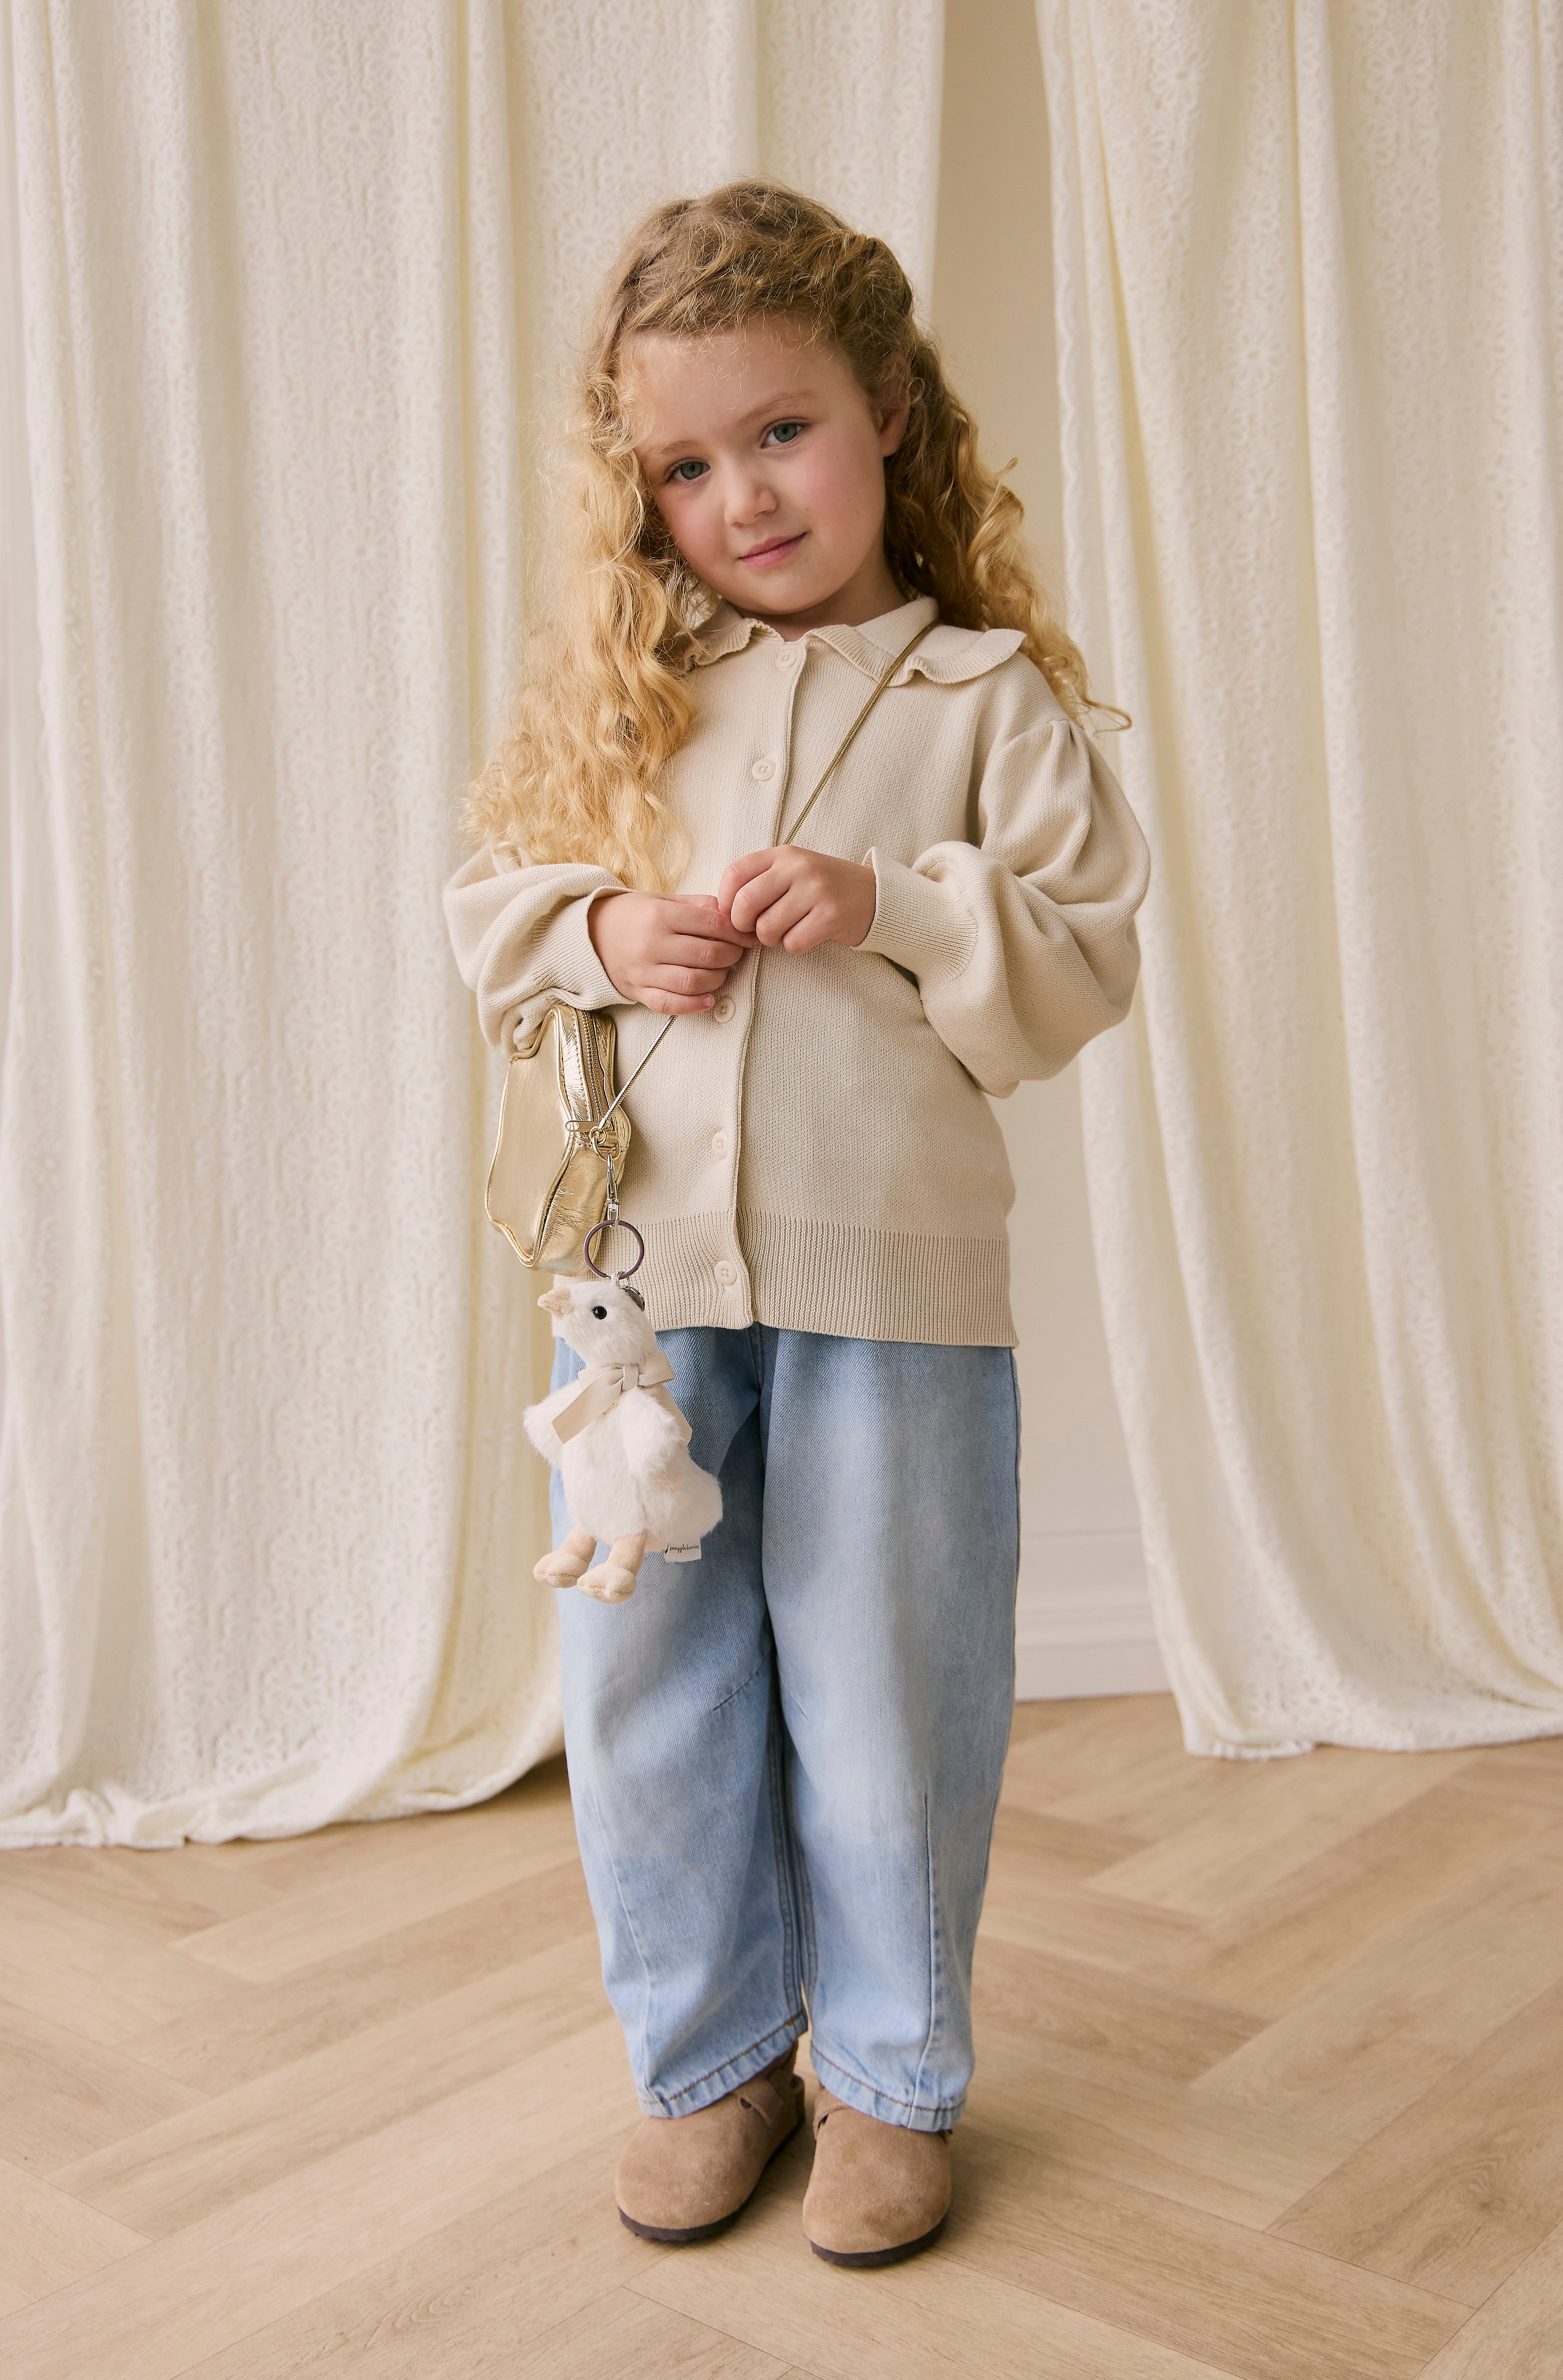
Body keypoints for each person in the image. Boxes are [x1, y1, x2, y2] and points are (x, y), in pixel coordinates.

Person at [444, 181, 1149, 2268]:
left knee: (886, 1695)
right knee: (646, 1691)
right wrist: (598, 927)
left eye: (782, 432)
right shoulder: (627, 694)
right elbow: (487, 914)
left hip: (894, 1293)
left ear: (891, 414)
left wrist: (893, 901)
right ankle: (706, 2063)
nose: (739, 497)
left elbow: (1081, 958)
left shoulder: (983, 697)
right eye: (683, 464)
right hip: (638, 1300)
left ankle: (890, 2081)